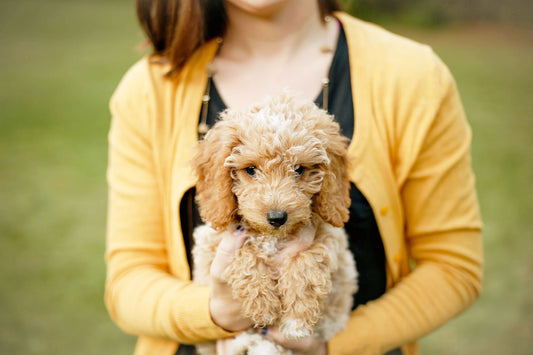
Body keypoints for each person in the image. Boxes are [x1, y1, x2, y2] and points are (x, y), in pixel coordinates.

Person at [104, 0, 484, 354]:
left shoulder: (413, 76)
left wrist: (332, 345)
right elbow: (127, 283)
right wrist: (216, 311)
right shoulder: (149, 90)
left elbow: (453, 268)